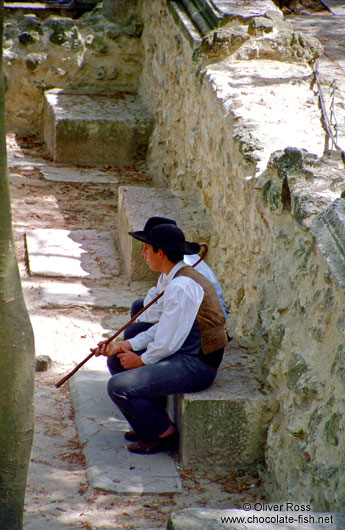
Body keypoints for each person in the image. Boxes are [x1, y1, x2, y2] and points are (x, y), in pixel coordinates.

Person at [94, 222, 228, 454]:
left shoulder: (181, 286)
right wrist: (122, 345)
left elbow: (167, 342)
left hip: (197, 365)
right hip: (186, 352)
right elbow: (163, 327)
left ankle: (162, 434)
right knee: (116, 360)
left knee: (118, 387)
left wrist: (141, 361)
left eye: (147, 248)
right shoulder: (175, 277)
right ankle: (152, 423)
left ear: (161, 253)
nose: (143, 254)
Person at [125, 217, 228, 342]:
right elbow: (158, 293)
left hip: (200, 325)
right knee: (138, 308)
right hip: (182, 310)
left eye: (148, 246)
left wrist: (137, 334)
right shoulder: (172, 262)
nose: (143, 253)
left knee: (134, 330)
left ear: (160, 250)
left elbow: (167, 311)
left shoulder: (182, 271)